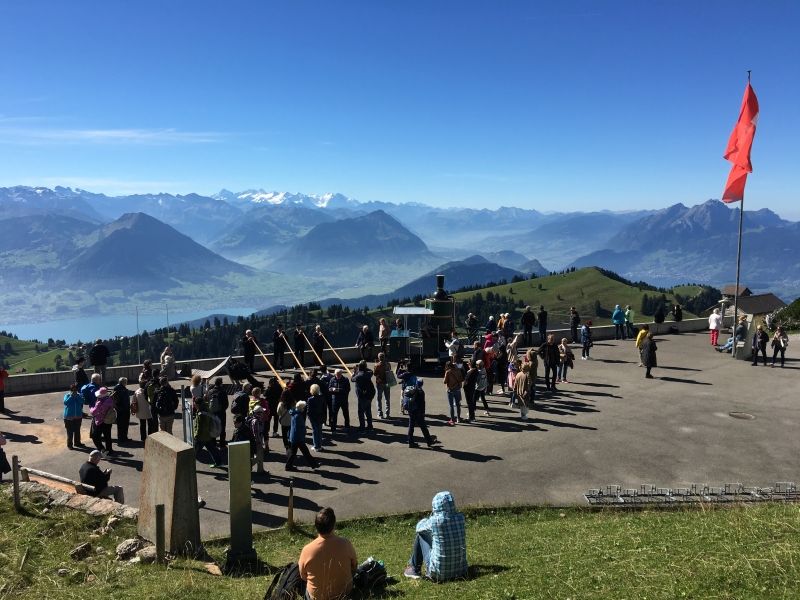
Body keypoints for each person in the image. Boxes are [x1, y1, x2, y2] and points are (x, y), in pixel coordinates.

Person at [404, 491, 467, 581]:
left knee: (421, 535)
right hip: (461, 572)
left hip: (438, 574)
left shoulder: (434, 522)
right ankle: (414, 567)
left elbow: (418, 528)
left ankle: (414, 569)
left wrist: (428, 518)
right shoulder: (461, 518)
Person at [298, 507, 357, 600]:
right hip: (345, 594)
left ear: (316, 526)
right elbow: (354, 566)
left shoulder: (307, 550)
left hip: (317, 597)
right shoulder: (345, 544)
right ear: (334, 525)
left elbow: (303, 576)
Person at [286, 400, 319, 471]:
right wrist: (303, 433)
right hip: (298, 438)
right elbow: (298, 428)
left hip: (294, 437)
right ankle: (313, 464)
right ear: (301, 408)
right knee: (305, 452)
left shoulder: (294, 413)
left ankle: (288, 466)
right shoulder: (298, 416)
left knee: (294, 453)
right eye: (304, 407)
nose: (304, 409)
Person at [193, 391, 223, 468]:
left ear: (197, 404)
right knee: (212, 450)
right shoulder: (207, 408)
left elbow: (201, 427)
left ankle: (190, 466)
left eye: (195, 404)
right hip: (208, 435)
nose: (194, 406)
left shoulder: (201, 414)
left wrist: (196, 435)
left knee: (194, 452)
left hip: (201, 437)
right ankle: (219, 462)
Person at [406, 379, 439, 448]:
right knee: (423, 427)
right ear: (422, 384)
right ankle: (429, 441)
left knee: (411, 427)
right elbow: (422, 404)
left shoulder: (412, 390)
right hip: (418, 412)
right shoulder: (421, 392)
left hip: (411, 410)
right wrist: (423, 413)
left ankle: (410, 442)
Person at [90, 387, 115, 456]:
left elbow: (94, 412)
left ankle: (102, 449)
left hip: (100, 421)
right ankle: (109, 450)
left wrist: (91, 408)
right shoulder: (110, 400)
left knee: (95, 437)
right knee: (107, 436)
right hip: (108, 420)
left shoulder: (99, 402)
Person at [351, 360, 375, 432]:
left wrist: (355, 372)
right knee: (368, 411)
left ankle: (362, 427)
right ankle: (370, 426)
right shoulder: (369, 373)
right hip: (369, 395)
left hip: (362, 396)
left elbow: (352, 379)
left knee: (361, 412)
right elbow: (371, 371)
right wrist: (362, 367)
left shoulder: (358, 376)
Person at [327, 369, 351, 434]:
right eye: (336, 374)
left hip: (343, 399)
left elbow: (347, 389)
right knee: (334, 414)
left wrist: (337, 390)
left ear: (341, 374)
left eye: (339, 374)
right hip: (335, 400)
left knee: (345, 413)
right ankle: (333, 428)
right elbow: (329, 388)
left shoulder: (345, 379)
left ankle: (347, 426)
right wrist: (331, 389)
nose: (337, 376)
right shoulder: (332, 379)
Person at [207, 377, 229, 448]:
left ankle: (213, 443)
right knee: (222, 428)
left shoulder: (210, 391)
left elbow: (207, 401)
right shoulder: (223, 392)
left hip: (212, 413)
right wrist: (222, 409)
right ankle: (222, 444)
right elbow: (226, 404)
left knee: (213, 427)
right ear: (221, 383)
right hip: (221, 413)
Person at [63, 383, 84, 449]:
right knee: (70, 431)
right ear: (71, 390)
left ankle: (77, 443)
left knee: (77, 430)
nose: (74, 391)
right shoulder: (67, 395)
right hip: (68, 417)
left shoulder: (79, 395)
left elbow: (82, 401)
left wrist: (77, 396)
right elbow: (65, 403)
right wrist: (71, 396)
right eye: (73, 390)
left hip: (78, 416)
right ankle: (70, 445)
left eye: (75, 390)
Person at [443, 361, 463, 426]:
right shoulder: (458, 370)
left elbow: (445, 382)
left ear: (448, 366)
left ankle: (452, 419)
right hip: (457, 389)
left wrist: (445, 375)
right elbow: (461, 379)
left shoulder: (448, 372)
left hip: (450, 390)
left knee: (451, 406)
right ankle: (458, 418)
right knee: (458, 405)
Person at [307, 383, 326, 451]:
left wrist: (309, 417)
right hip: (320, 416)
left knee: (315, 431)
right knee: (319, 431)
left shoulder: (310, 399)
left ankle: (316, 446)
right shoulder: (322, 398)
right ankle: (319, 445)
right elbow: (324, 408)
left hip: (313, 417)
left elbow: (309, 411)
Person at [373, 353, 391, 419]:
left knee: (379, 399)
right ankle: (387, 413)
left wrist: (375, 364)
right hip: (387, 383)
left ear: (378, 358)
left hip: (379, 383)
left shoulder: (377, 365)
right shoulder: (388, 364)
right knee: (387, 399)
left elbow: (375, 374)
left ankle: (380, 414)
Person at [113, 377, 131, 443]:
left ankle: (123, 437)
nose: (126, 383)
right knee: (123, 424)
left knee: (122, 424)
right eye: (126, 382)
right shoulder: (121, 390)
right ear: (123, 382)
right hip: (123, 409)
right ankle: (123, 438)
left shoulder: (117, 389)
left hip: (121, 409)